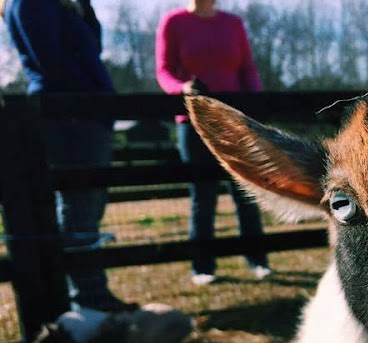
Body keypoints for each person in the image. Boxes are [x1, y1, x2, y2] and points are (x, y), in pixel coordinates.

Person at [2, 0, 137, 312]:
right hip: (70, 114)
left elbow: (92, 45)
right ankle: (87, 297)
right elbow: (49, 60)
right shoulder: (30, 4)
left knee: (86, 205)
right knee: (79, 207)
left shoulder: (62, 6)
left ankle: (90, 292)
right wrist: (88, 98)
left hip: (88, 113)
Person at [155, 0, 271, 286]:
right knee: (202, 196)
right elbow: (164, 70)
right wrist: (181, 89)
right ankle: (202, 265)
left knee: (245, 190)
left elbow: (247, 70)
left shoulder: (233, 24)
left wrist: (258, 104)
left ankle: (257, 260)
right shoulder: (174, 22)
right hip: (193, 122)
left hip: (235, 121)